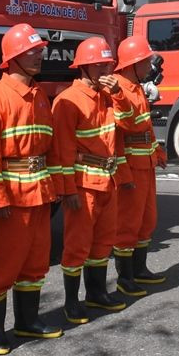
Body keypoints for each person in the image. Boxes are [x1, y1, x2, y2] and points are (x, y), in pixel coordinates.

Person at [0, 23, 63, 354]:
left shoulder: (39, 94)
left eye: (39, 51)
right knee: (5, 264)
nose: (39, 56)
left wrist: (54, 186)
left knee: (36, 262)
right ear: (12, 57)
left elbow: (51, 147)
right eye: (31, 52)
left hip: (40, 191)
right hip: (12, 195)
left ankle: (27, 322)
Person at [51, 36, 136, 323]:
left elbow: (128, 125)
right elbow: (61, 151)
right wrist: (67, 190)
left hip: (107, 180)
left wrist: (120, 96)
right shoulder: (67, 101)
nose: (106, 72)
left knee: (103, 242)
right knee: (77, 245)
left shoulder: (108, 96)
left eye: (107, 66)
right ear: (84, 68)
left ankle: (97, 292)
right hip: (83, 184)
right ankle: (71, 301)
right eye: (99, 66)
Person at [111, 35, 168, 296]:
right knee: (128, 222)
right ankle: (125, 277)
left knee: (147, 219)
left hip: (145, 163)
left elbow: (145, 125)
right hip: (131, 166)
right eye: (144, 61)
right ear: (132, 63)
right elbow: (122, 132)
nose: (149, 66)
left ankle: (140, 268)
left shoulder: (136, 87)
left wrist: (157, 149)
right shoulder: (119, 89)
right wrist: (122, 172)